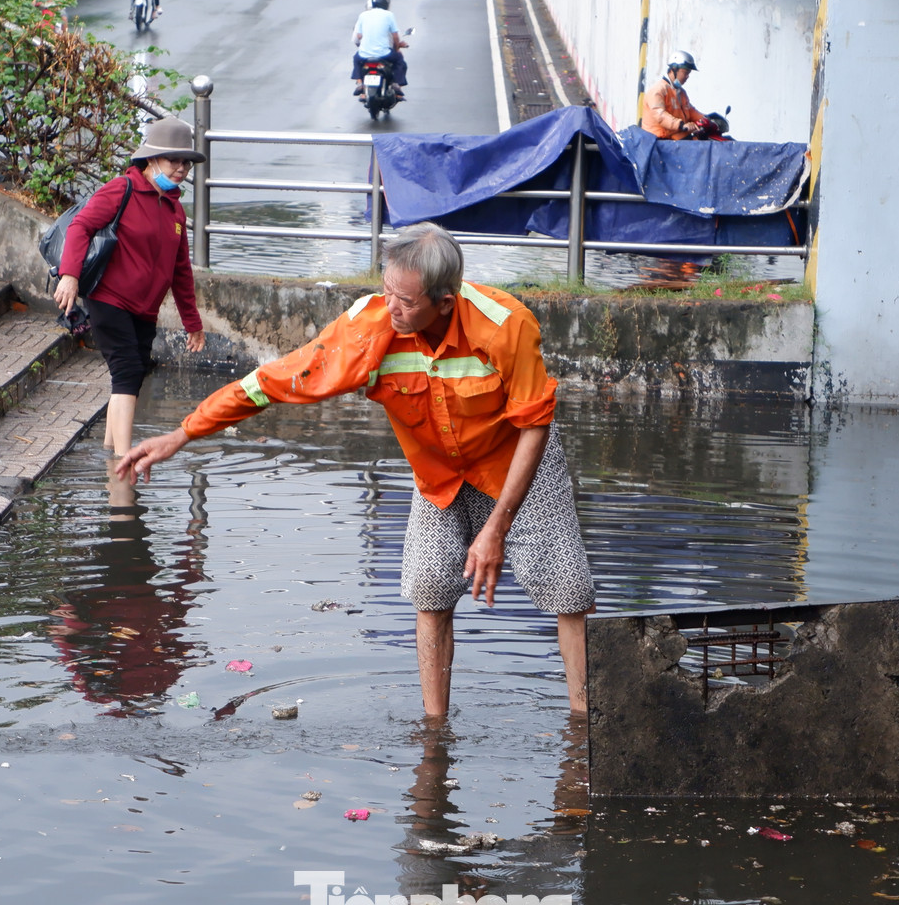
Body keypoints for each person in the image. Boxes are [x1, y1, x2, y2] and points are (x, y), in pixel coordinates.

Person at [114, 223, 597, 718]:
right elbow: (275, 381)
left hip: (515, 457)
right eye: (385, 292)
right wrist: (183, 433)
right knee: (429, 584)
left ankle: (586, 720)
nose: (391, 308)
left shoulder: (505, 326)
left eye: (405, 302)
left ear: (446, 301)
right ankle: (435, 730)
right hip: (437, 470)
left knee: (567, 586)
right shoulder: (368, 330)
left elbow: (535, 423)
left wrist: (496, 528)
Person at [53, 116, 206, 457]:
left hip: (145, 308)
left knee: (133, 374)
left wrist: (192, 323)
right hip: (110, 298)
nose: (181, 168)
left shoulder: (175, 210)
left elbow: (181, 271)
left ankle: (111, 451)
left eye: (186, 162)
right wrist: (70, 276)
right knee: (127, 370)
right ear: (151, 159)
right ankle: (124, 463)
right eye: (173, 160)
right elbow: (80, 227)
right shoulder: (121, 188)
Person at [351, 0, 408, 100]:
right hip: (384, 54)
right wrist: (396, 49)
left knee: (356, 58)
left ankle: (359, 82)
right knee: (399, 58)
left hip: (364, 54)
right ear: (386, 4)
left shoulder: (363, 15)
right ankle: (396, 83)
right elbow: (395, 37)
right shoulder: (389, 15)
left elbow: (358, 36)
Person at [642, 50, 708, 140]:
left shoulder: (681, 92)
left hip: (675, 139)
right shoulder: (657, 91)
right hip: (658, 142)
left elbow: (690, 111)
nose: (687, 77)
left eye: (689, 73)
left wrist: (707, 119)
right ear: (674, 69)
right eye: (685, 72)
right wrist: (681, 125)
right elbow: (660, 116)